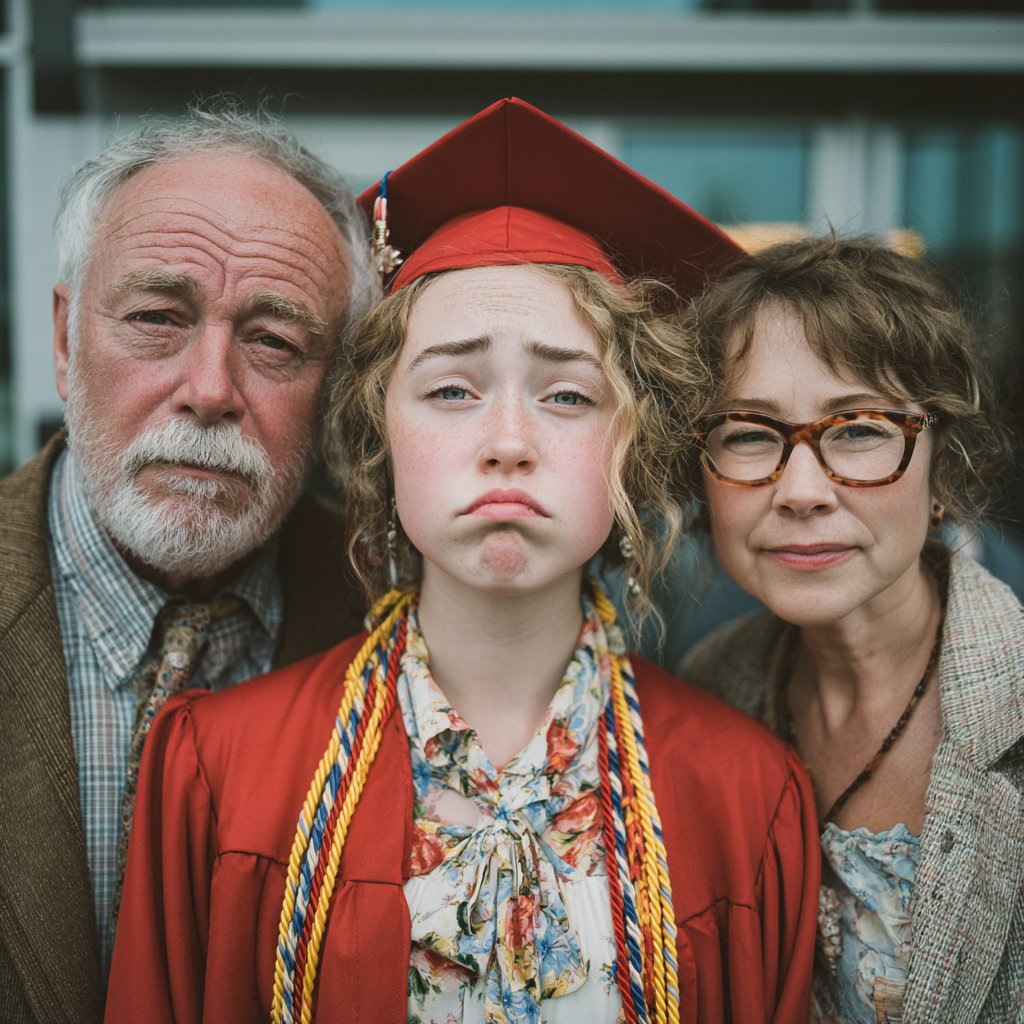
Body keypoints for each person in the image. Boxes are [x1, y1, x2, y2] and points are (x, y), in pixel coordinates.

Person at [107, 97, 820, 1024]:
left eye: (568, 395)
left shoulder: (746, 797)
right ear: (376, 434)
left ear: (632, 447)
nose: (508, 441)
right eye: (451, 388)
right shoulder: (219, 768)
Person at [0, 100, 378, 1023]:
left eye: (274, 341)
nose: (210, 391)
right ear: (63, 339)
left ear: (335, 388)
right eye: (158, 317)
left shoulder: (401, 620)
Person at [677, 235, 1023, 1023]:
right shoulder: (707, 689)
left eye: (860, 430)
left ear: (945, 464)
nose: (802, 491)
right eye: (750, 433)